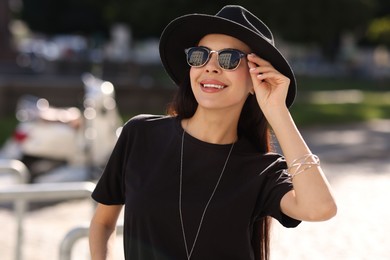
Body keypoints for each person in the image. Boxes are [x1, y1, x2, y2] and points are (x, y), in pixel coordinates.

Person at [89, 5, 337, 260]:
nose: (211, 66)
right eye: (200, 55)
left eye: (229, 58)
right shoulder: (140, 135)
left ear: (257, 79)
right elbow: (102, 223)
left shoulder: (261, 170)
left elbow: (320, 208)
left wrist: (277, 111)